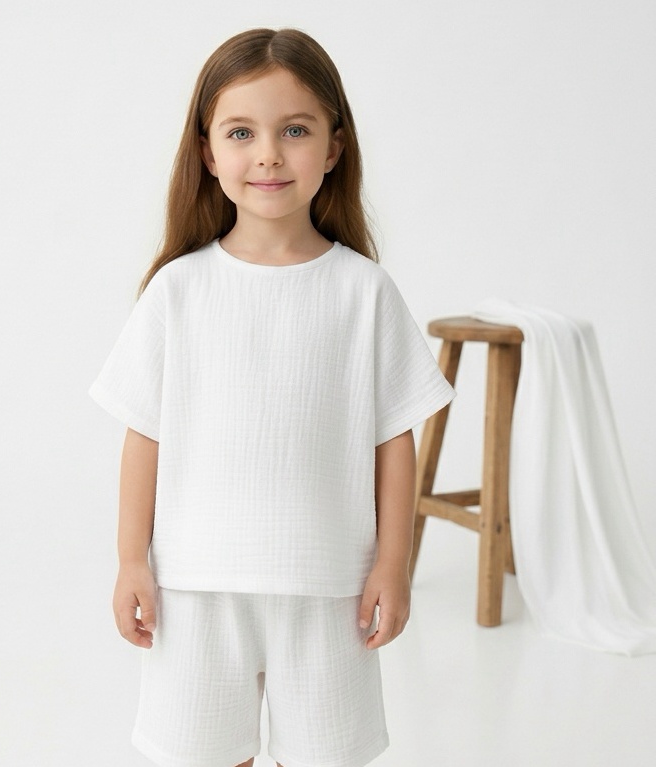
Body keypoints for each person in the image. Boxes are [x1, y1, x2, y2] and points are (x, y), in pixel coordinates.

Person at [89, 27, 455, 767]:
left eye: (294, 130)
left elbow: (393, 439)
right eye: (241, 132)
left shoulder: (363, 291)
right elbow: (145, 434)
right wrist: (131, 560)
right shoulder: (178, 291)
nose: (268, 154)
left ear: (334, 147)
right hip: (195, 587)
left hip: (329, 586)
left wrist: (392, 564)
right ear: (207, 152)